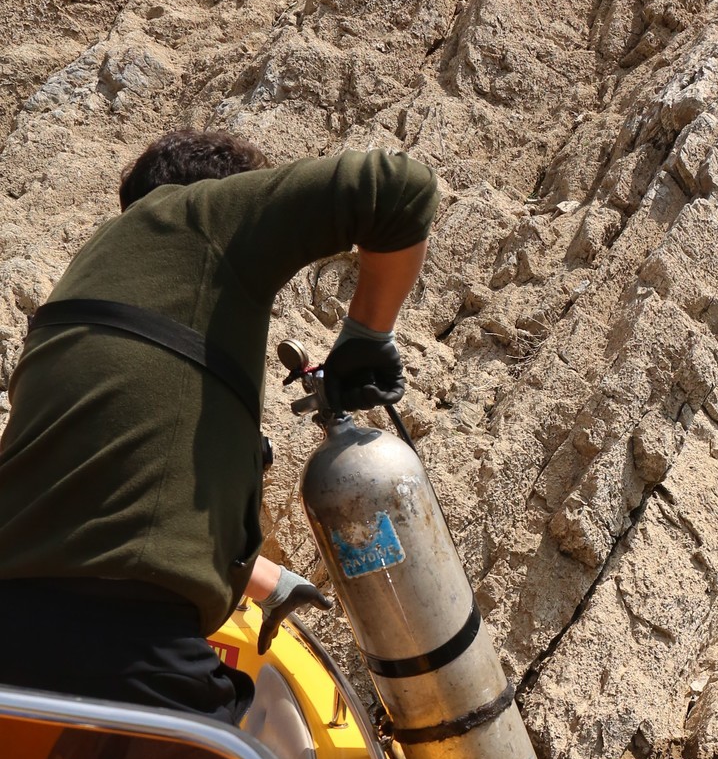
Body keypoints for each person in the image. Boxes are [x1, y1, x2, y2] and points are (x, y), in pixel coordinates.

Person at [0, 128, 437, 721]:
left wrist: (264, 579)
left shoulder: (95, 277)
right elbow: (398, 189)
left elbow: (103, 492)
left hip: (17, 621)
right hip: (133, 647)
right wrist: (366, 336)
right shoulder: (199, 215)